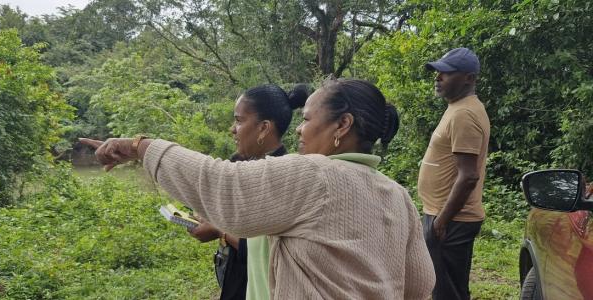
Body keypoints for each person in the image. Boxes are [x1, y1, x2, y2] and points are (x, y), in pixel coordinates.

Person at [79, 78, 435, 299]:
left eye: (307, 120)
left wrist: (140, 147)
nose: (299, 129)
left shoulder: (315, 174)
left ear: (342, 125)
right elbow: (420, 285)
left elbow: (220, 184)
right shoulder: (397, 194)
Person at [187, 83, 308, 300]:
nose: (232, 129)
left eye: (239, 121)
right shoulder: (242, 165)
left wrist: (218, 231)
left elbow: (264, 248)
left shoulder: (280, 179)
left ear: (264, 128)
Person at [418, 47, 491, 300]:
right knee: (449, 289)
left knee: (446, 293)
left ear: (469, 78)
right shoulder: (459, 107)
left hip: (451, 220)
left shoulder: (464, 114)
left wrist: (441, 222)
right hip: (445, 216)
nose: (438, 77)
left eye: (446, 73)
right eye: (438, 72)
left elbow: (468, 176)